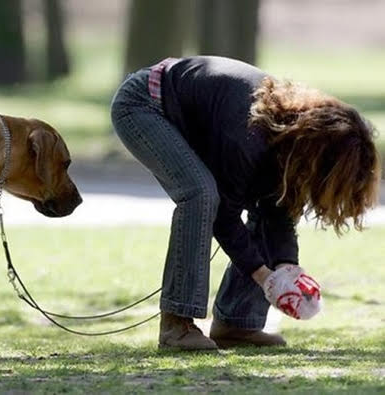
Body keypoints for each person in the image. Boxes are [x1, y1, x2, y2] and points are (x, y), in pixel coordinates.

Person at [110, 56, 381, 350]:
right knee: (200, 194)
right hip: (144, 104)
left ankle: (237, 324)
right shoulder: (249, 137)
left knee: (257, 206)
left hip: (187, 109)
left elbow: (276, 209)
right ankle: (176, 324)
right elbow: (223, 218)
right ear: (317, 155)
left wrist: (287, 267)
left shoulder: (286, 144)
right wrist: (265, 277)